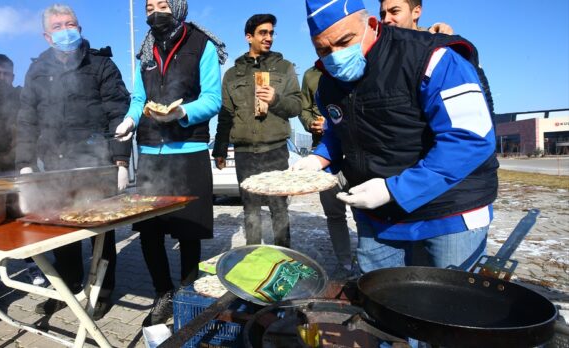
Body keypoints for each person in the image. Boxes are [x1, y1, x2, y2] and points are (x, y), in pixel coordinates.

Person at [294, 0, 498, 274]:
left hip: (449, 211)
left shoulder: (431, 57)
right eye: (323, 49)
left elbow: (470, 138)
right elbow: (339, 131)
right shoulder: (328, 83)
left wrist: (395, 189)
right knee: (379, 302)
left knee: (450, 305)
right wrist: (319, 159)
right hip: (379, 217)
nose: (336, 56)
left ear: (370, 24)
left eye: (345, 41)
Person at [15, 4, 132, 320]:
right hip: (55, 164)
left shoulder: (101, 64)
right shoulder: (37, 69)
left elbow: (117, 113)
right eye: (58, 26)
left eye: (71, 23)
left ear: (79, 27)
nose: (66, 29)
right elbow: (27, 118)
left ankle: (101, 291)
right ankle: (67, 288)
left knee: (100, 231)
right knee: (62, 232)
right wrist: (25, 163)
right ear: (47, 35)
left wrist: (121, 160)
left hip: (96, 163)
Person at [114, 0, 226, 326]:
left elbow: (212, 98)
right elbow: (138, 100)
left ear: (178, 6)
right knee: (150, 232)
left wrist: (182, 112)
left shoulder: (200, 44)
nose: (154, 11)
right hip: (150, 151)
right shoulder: (145, 51)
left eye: (163, 4)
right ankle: (162, 293)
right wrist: (129, 121)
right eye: (149, 6)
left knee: (188, 231)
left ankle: (187, 294)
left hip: (188, 149)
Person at [212, 14, 301, 249]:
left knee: (279, 208)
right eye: (263, 33)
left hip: (275, 150)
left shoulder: (285, 67)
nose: (269, 37)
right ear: (248, 37)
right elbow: (226, 114)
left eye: (271, 33)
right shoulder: (232, 74)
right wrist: (220, 149)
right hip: (244, 153)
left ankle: (284, 257)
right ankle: (253, 256)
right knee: (250, 210)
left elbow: (296, 106)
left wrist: (276, 99)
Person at [0, 54, 47, 287]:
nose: (2, 78)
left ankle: (34, 266)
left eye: (7, 74)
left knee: (25, 218)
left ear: (13, 76)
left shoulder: (21, 96)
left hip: (18, 167)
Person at [379, 0, 495, 115]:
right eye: (382, 14)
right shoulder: (379, 53)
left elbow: (480, 101)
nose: (386, 20)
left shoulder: (442, 50)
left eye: (394, 12)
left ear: (416, 12)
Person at [298, 66, 352, 273]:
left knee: (364, 210)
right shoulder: (311, 75)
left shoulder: (358, 68)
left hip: (356, 153)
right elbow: (304, 109)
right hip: (325, 152)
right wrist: (311, 123)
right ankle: (345, 262)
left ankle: (367, 260)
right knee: (334, 213)